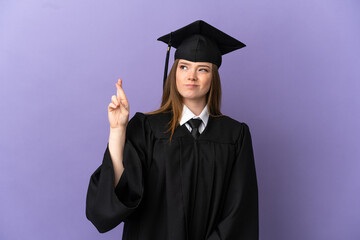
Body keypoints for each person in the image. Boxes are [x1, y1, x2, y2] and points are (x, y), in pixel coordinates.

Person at [86, 20, 259, 240]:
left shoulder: (235, 136)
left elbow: (239, 211)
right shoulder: (147, 128)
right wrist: (118, 130)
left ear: (213, 77)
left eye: (202, 69)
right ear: (174, 72)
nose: (191, 76)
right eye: (184, 66)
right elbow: (123, 192)